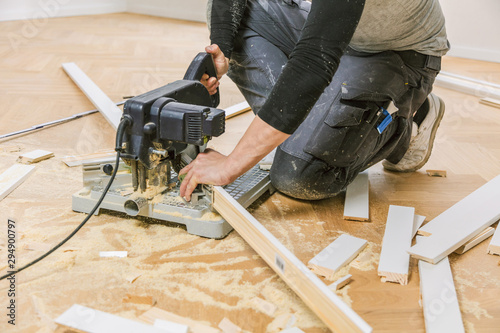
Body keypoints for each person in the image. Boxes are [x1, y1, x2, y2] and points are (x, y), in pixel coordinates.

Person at [179, 0, 449, 201]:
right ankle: (321, 122)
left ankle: (410, 119)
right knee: (239, 19)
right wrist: (221, 48)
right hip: (331, 27)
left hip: (397, 52)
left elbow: (312, 64)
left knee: (299, 176)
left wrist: (230, 167)